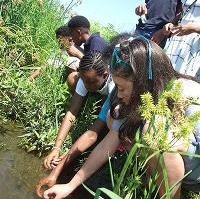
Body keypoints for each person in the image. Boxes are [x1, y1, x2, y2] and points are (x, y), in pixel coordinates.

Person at [40, 36, 200, 199]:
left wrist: (179, 143)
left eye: (122, 88)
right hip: (170, 165)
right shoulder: (135, 96)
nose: (119, 93)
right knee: (115, 116)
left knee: (152, 132)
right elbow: (108, 143)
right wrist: (69, 186)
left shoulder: (188, 93)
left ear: (142, 81)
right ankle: (152, 180)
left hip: (195, 175)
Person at [43, 51, 114, 171]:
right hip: (100, 89)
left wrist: (69, 155)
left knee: (109, 117)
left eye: (91, 82)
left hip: (111, 98)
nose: (87, 86)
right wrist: (56, 148)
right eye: (84, 80)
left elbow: (93, 132)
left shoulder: (114, 87)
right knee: (72, 79)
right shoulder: (86, 79)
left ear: (105, 75)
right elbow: (72, 111)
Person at [66, 15, 108, 92]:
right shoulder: (91, 42)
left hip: (105, 83)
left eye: (72, 34)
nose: (71, 38)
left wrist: (77, 53)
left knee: (72, 78)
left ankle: (84, 97)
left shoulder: (96, 42)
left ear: (78, 32)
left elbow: (95, 66)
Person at [163, 0, 200, 79]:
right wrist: (171, 24)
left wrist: (194, 28)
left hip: (195, 44)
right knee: (167, 77)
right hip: (178, 40)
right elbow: (184, 14)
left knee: (187, 82)